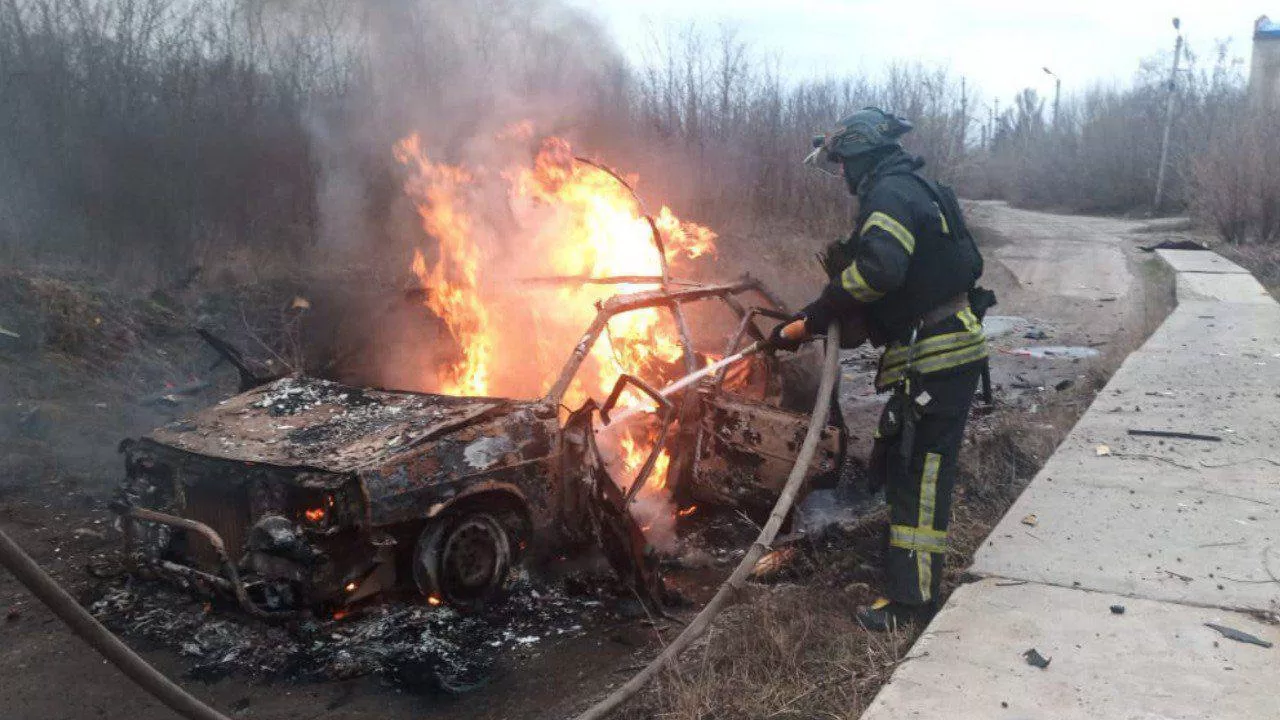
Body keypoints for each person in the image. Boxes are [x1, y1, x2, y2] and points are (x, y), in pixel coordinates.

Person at [767, 107, 991, 631]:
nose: (841, 174)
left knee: (920, 474)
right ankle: (912, 579)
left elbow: (881, 270)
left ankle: (911, 604)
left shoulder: (887, 196)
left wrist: (820, 312)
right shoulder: (919, 188)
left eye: (843, 163)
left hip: (936, 357)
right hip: (948, 348)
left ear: (862, 155)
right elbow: (945, 269)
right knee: (909, 465)